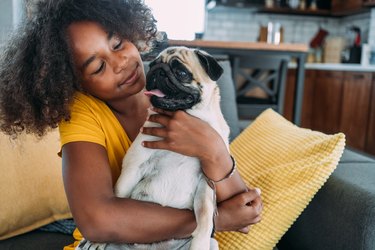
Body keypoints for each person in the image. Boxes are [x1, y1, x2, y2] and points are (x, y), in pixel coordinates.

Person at [0, 0, 263, 249]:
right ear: (76, 84)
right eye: (98, 67)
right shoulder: (83, 113)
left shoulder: (175, 88)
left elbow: (242, 210)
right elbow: (97, 221)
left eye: (117, 44)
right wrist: (211, 221)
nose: (120, 64)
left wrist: (213, 149)